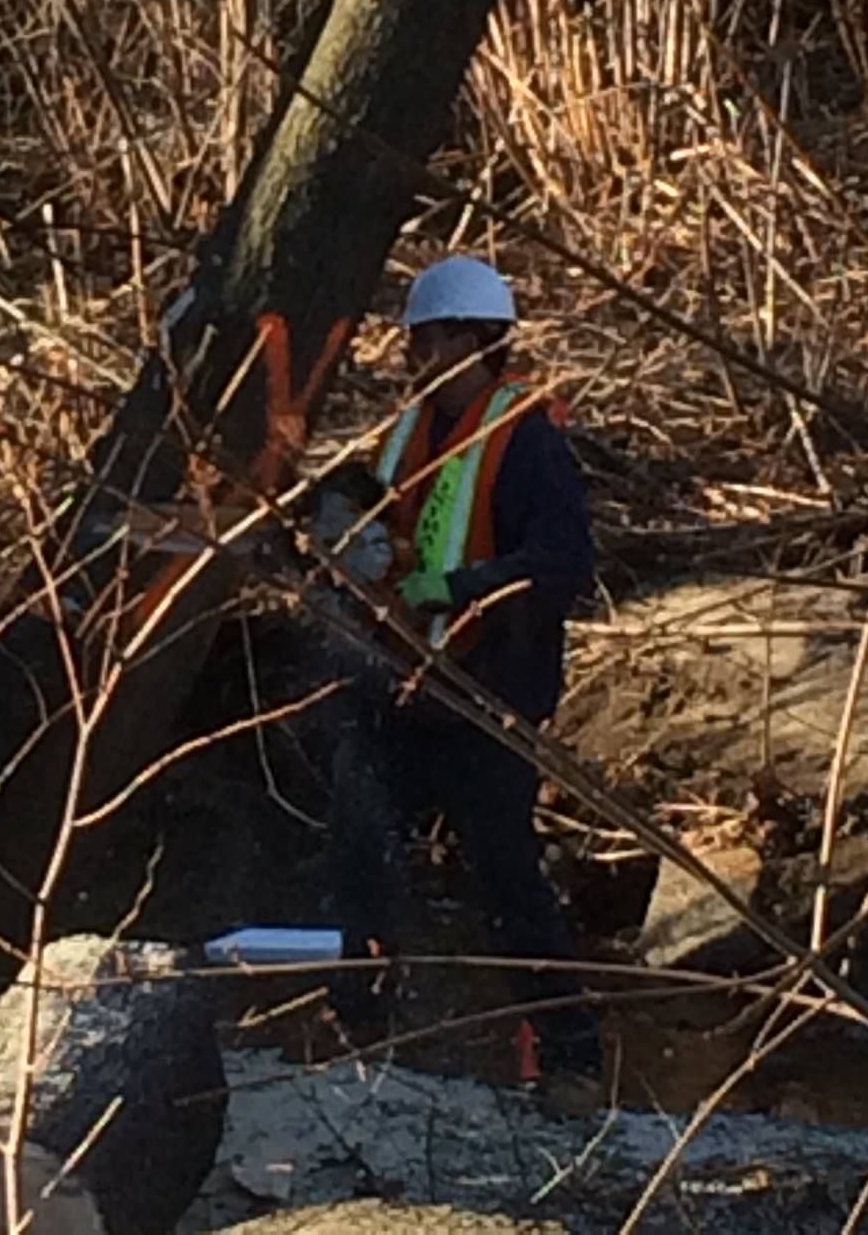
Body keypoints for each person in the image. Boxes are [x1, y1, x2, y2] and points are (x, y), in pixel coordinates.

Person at [312, 253, 604, 1107]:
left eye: (434, 340)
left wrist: (461, 587)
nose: (421, 356)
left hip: (489, 694)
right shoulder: (409, 433)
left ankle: (573, 1055)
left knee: (505, 873)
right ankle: (357, 1029)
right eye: (416, 342)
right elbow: (382, 517)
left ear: (476, 340)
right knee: (361, 848)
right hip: (402, 681)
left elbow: (562, 562)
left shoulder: (527, 441)